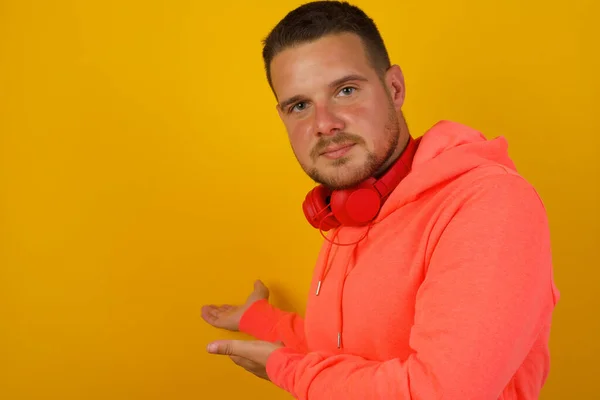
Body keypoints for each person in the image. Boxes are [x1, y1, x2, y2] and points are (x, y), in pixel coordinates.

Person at [201, 1, 560, 398]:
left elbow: (438, 392)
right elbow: (342, 351)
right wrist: (262, 322)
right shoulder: (350, 209)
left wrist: (285, 369)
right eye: (300, 105)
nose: (324, 124)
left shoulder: (488, 203)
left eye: (346, 90)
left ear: (395, 88)